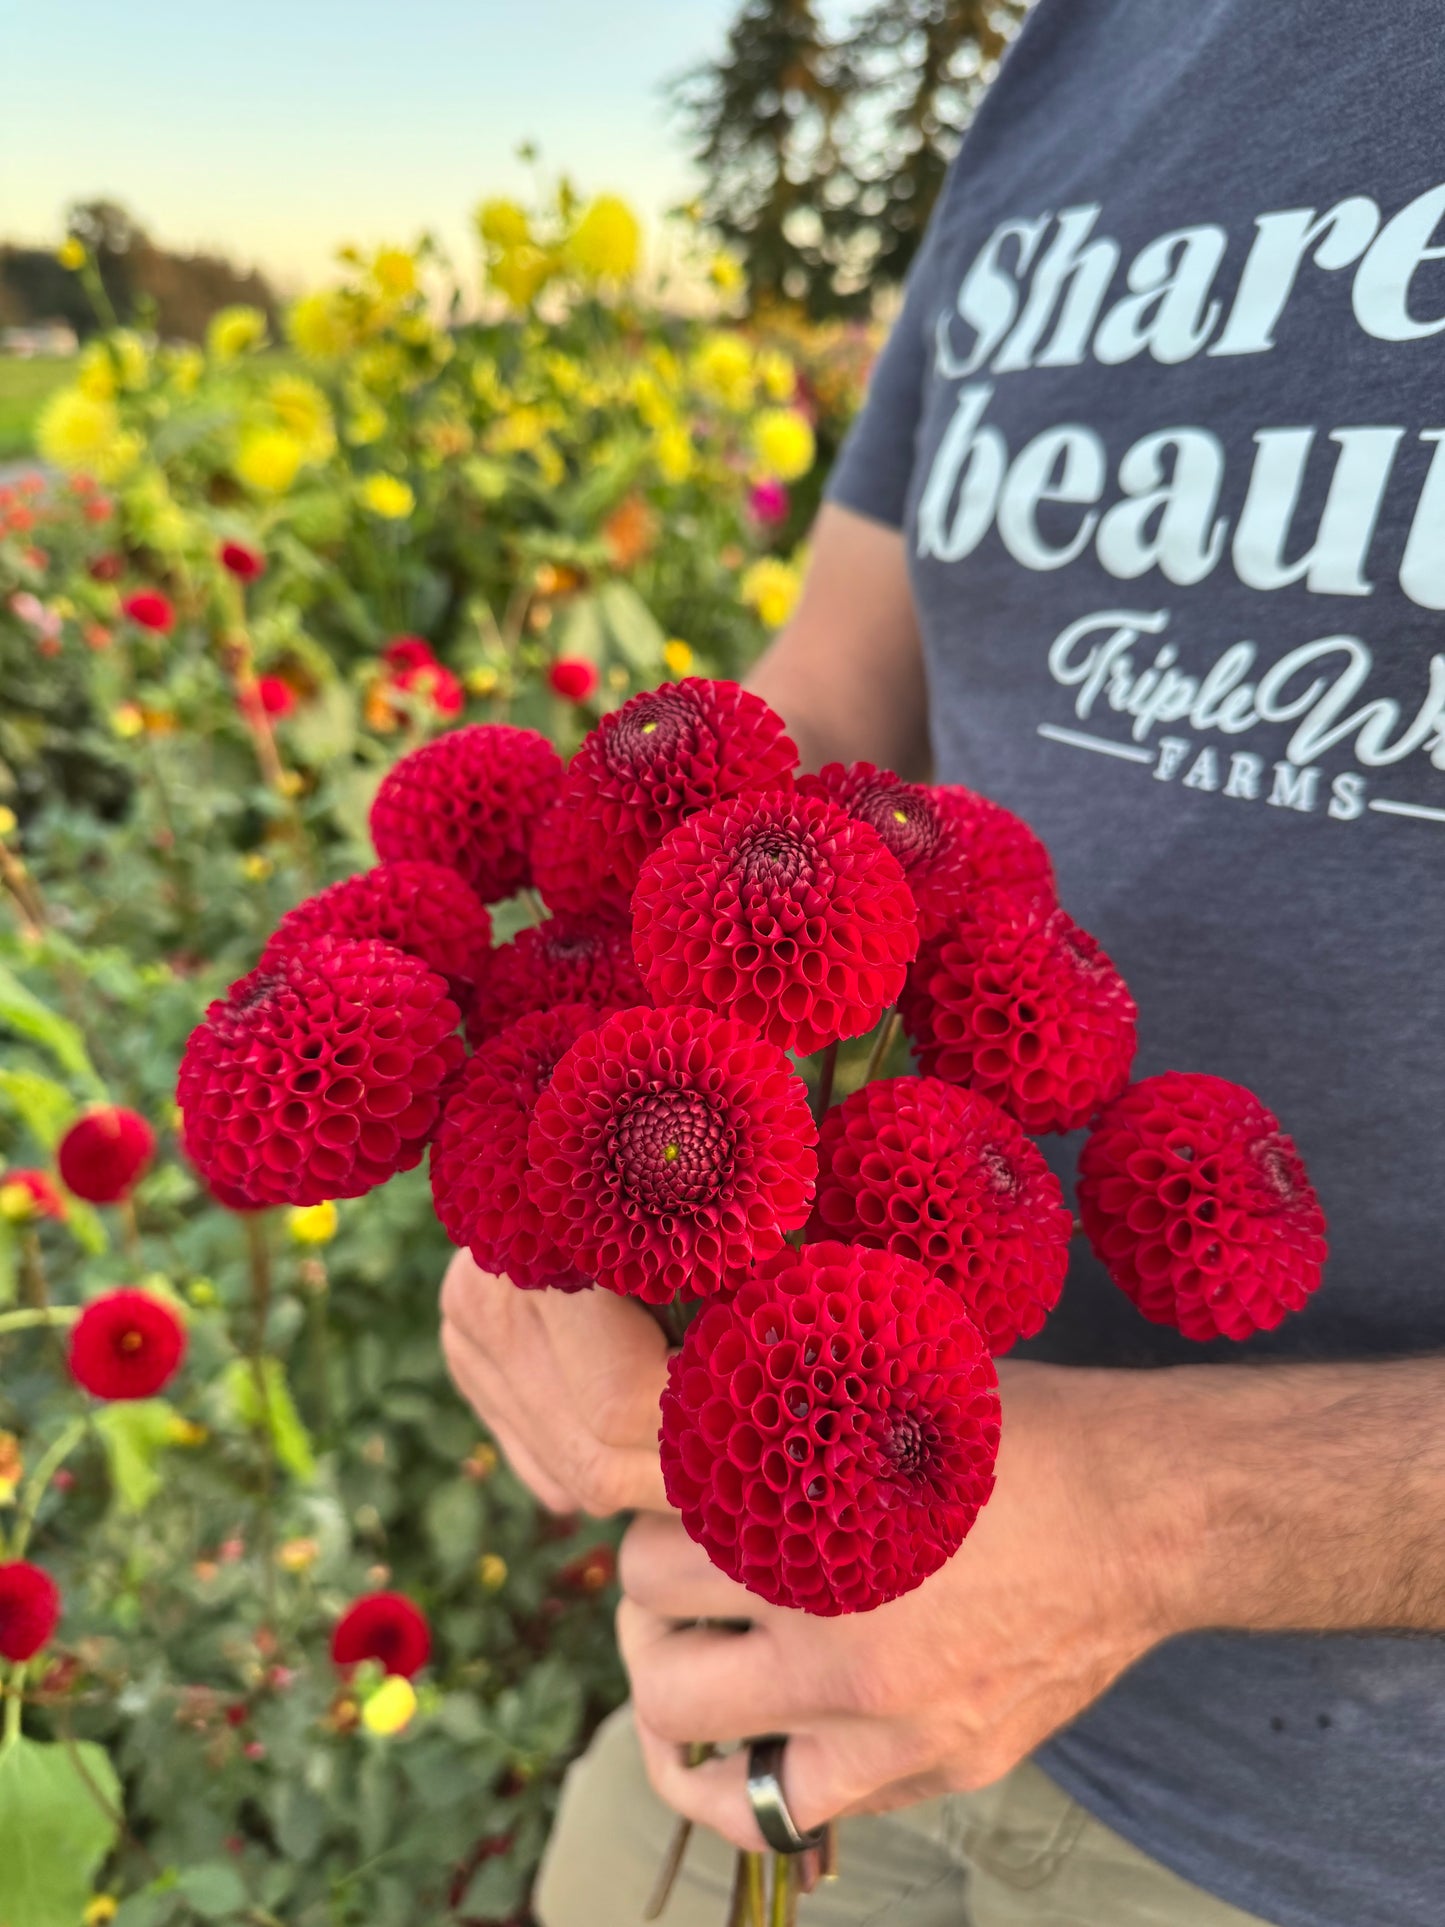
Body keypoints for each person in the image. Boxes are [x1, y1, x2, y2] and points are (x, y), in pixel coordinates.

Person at [441, 2, 1445, 1921]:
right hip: (795, 1605)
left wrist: (1162, 1521)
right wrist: (561, 1121)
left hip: (1315, 1839)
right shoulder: (1081, 57)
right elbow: (840, 672)